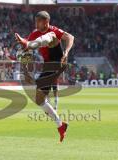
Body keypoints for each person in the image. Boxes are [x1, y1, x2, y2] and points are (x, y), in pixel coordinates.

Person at [15, 11, 74, 142]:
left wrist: (66, 51)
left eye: (38, 22)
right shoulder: (34, 34)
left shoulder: (53, 30)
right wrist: (25, 71)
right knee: (39, 99)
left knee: (51, 36)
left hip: (59, 60)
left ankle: (28, 43)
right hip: (49, 67)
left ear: (46, 22)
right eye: (35, 22)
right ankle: (60, 125)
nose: (36, 24)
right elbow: (26, 54)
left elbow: (71, 37)